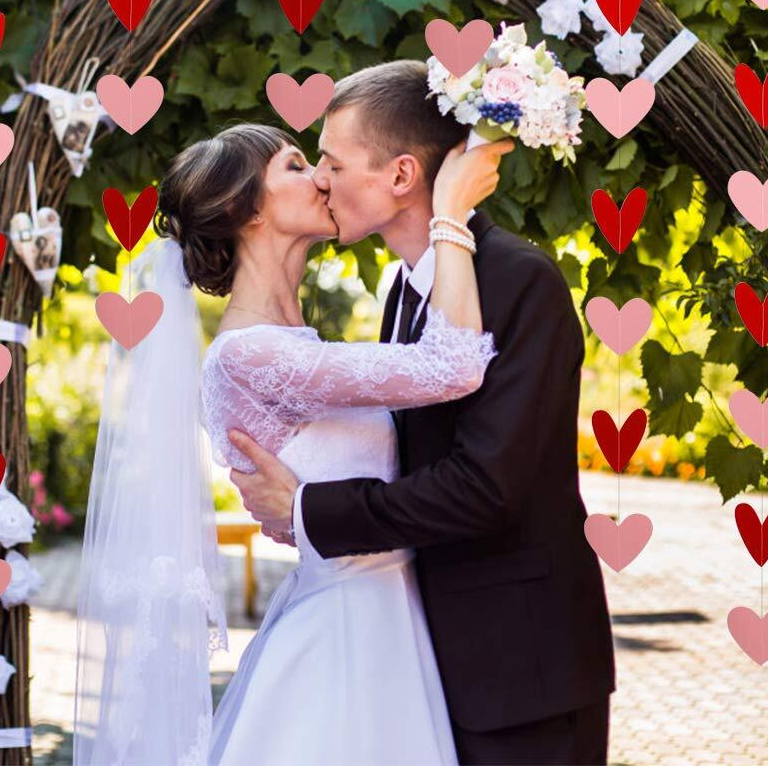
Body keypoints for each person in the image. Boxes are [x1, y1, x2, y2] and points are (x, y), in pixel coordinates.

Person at [72, 120, 513, 766]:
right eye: (296, 165)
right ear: (242, 209)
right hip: (340, 642)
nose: (323, 178)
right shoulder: (248, 357)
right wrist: (450, 211)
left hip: (389, 625)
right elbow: (452, 367)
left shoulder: (294, 345)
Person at [229, 60, 617, 766]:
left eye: (333, 161)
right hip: (426, 665)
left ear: (402, 177)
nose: (320, 178)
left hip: (520, 671)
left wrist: (311, 509)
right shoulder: (404, 295)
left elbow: (486, 488)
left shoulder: (519, 282)